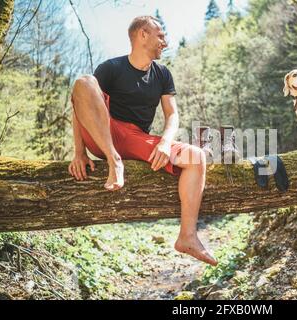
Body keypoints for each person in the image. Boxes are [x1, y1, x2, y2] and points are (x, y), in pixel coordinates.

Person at [68, 15, 217, 266]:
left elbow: (172, 114)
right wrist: (79, 152)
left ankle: (187, 236)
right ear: (142, 35)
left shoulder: (162, 74)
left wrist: (166, 142)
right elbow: (81, 107)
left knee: (196, 157)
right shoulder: (111, 68)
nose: (165, 42)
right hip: (102, 134)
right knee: (84, 82)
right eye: (160, 36)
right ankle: (115, 162)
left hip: (136, 137)